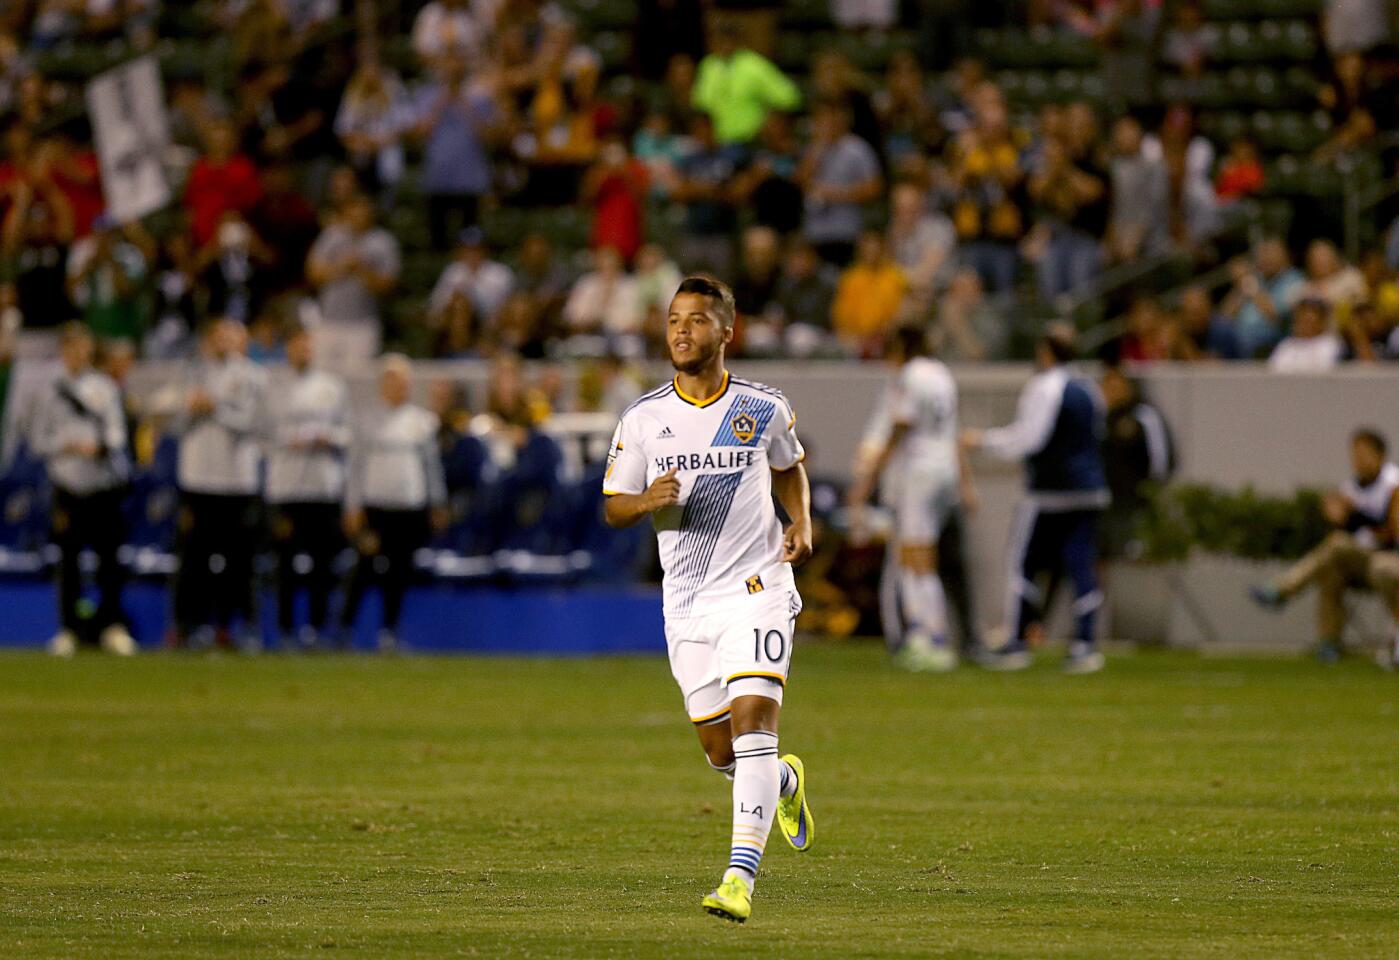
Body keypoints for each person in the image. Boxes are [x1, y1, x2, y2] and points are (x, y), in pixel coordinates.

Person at [601, 275, 815, 922]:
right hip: (687, 608)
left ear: (727, 330)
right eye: (672, 320)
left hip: (757, 591)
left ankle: (737, 879)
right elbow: (612, 506)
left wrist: (799, 521)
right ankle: (781, 781)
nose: (680, 331)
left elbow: (787, 464)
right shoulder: (643, 418)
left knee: (753, 724)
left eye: (695, 320)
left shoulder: (762, 407)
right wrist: (645, 501)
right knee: (723, 753)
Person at [961, 323, 1109, 673]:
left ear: (1045, 352)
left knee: (1022, 563)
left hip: (1049, 493)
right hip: (1090, 491)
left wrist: (982, 441)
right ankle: (1085, 645)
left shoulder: (1045, 387)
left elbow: (1029, 440)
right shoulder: (1090, 387)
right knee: (1081, 566)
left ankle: (1016, 642)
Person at [846, 324, 979, 671]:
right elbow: (953, 430)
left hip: (919, 470)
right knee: (924, 556)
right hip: (944, 469)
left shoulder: (909, 376)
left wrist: (870, 477)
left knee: (913, 556)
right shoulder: (942, 374)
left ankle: (929, 637)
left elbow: (900, 424)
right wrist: (965, 482)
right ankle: (932, 635)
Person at [1250, 429, 1399, 667]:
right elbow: (1349, 531)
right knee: (1331, 568)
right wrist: (1337, 517)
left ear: (1380, 456)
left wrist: (1355, 515)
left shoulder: (1393, 483)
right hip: (1360, 562)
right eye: (1355, 454)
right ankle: (1328, 641)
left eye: (1364, 454)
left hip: (1387, 560)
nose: (1358, 460)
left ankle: (1281, 590)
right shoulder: (1351, 487)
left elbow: (1391, 533)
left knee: (1341, 547)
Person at [30, 323, 134, 657]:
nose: (77, 354)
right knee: (68, 560)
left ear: (90, 350)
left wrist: (100, 446)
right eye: (71, 348)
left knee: (109, 560)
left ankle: (112, 626)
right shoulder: (49, 391)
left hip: (103, 485)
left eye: (83, 348)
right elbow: (37, 441)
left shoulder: (104, 388)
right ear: (63, 351)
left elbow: (118, 434)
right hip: (67, 485)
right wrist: (68, 444)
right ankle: (68, 629)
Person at [171, 319, 269, 651]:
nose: (223, 341)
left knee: (238, 560)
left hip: (237, 481)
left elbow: (253, 423)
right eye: (218, 334)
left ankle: (237, 626)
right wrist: (191, 409)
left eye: (231, 335)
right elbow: (175, 424)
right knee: (193, 558)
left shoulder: (254, 376)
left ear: (243, 341)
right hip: (197, 479)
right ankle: (188, 626)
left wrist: (215, 408)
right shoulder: (192, 373)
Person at [340, 355, 448, 653]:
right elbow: (355, 466)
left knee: (399, 573)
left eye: (405, 382)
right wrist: (352, 505)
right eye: (395, 381)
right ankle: (345, 629)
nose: (401, 387)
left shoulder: (421, 422)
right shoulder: (366, 420)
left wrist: (437, 503)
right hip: (375, 508)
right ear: (382, 384)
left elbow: (431, 467)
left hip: (409, 508)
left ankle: (389, 631)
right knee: (363, 568)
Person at [265, 326, 350, 652]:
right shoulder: (273, 386)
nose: (303, 351)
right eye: (297, 345)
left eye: (308, 345)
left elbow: (348, 433)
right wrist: (291, 439)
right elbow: (261, 434)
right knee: (285, 564)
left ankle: (317, 630)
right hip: (285, 489)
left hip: (324, 488)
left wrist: (331, 438)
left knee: (322, 564)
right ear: (288, 348)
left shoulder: (331, 387)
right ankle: (285, 630)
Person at [305, 193, 401, 372]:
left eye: (364, 210)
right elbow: (313, 273)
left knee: (357, 381)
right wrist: (342, 266)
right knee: (322, 376)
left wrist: (361, 269)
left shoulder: (383, 242)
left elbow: (388, 285)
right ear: (347, 212)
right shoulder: (332, 236)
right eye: (355, 210)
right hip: (328, 321)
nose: (359, 215)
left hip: (363, 325)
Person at [1100, 365, 1174, 561]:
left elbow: (1161, 458)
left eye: (1117, 386)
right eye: (1108, 387)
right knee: (1104, 557)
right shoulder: (1101, 419)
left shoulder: (1143, 415)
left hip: (1135, 501)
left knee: (1131, 556)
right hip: (1104, 500)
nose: (1112, 392)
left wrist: (1150, 490)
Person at [1269, 298, 1344, 373]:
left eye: (1309, 321)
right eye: (1301, 319)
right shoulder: (1286, 345)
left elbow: (1324, 369)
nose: (1304, 325)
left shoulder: (1330, 343)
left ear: (1321, 321)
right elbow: (1273, 370)